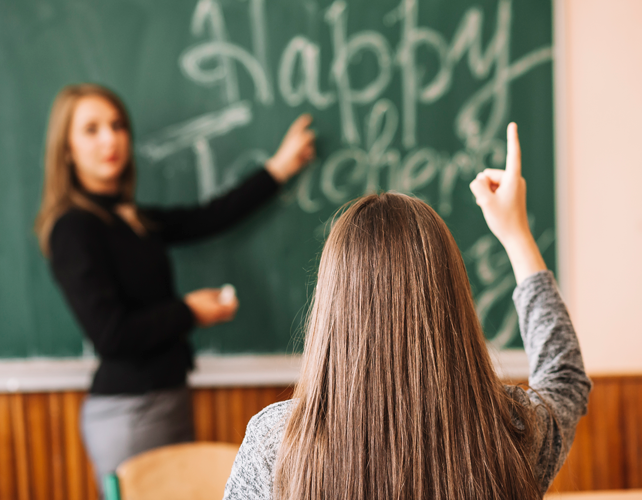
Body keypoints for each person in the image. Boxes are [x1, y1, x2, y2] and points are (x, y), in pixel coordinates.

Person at [223, 123, 591, 500]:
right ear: (453, 300)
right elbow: (565, 379)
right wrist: (516, 235)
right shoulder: (511, 430)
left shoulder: (278, 445)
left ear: (331, 307)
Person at [34, 83, 315, 489]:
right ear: (66, 149)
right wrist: (190, 312)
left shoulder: (131, 217)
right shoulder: (73, 229)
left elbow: (209, 217)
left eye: (117, 125)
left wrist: (280, 168)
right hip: (130, 412)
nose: (110, 139)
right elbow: (111, 334)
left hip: (167, 399)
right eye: (91, 130)